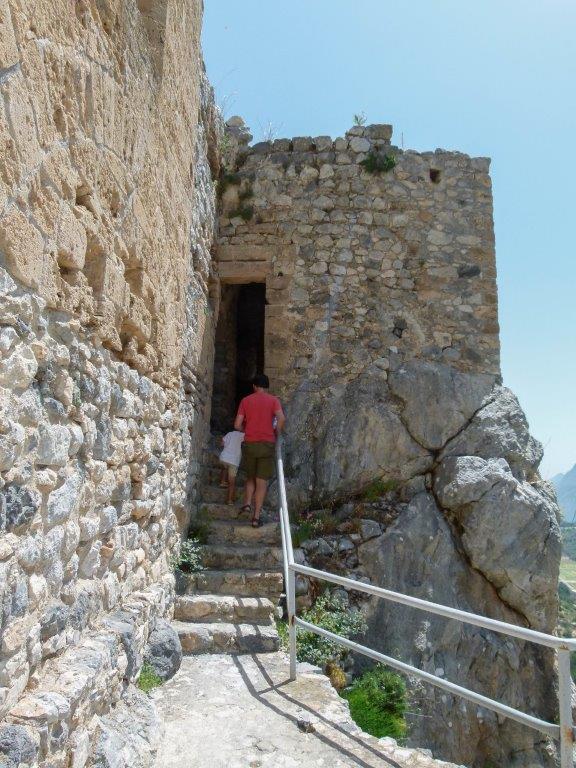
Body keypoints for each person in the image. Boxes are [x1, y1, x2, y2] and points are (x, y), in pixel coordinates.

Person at [234, 373, 285, 527]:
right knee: (261, 482)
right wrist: (276, 431)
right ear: (267, 386)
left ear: (254, 386)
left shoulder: (245, 400)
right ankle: (256, 517)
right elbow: (281, 418)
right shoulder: (274, 401)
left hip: (250, 443)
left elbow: (237, 425)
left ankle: (247, 503)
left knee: (250, 477)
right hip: (267, 443)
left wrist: (246, 430)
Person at [218, 427, 244, 505]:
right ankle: (229, 500)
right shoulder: (243, 435)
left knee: (224, 467)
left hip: (224, 457)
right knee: (232, 482)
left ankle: (222, 481)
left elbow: (222, 443)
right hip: (234, 460)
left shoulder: (229, 433)